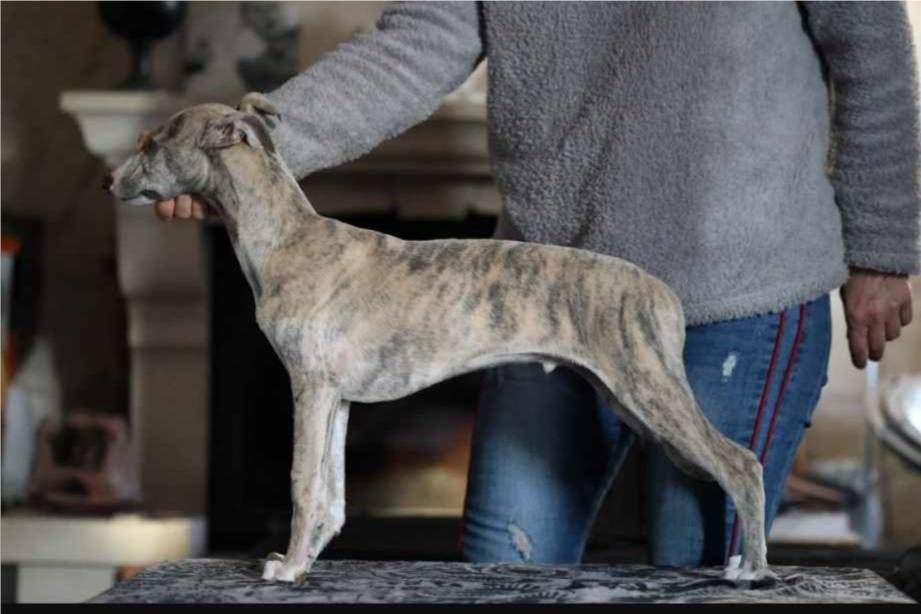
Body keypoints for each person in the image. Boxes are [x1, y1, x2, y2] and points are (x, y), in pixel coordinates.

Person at [156, 2, 919, 566]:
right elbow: (414, 44)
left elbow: (873, 58)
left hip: (740, 289)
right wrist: (242, 154)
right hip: (535, 289)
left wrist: (882, 250)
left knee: (696, 578)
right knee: (502, 572)